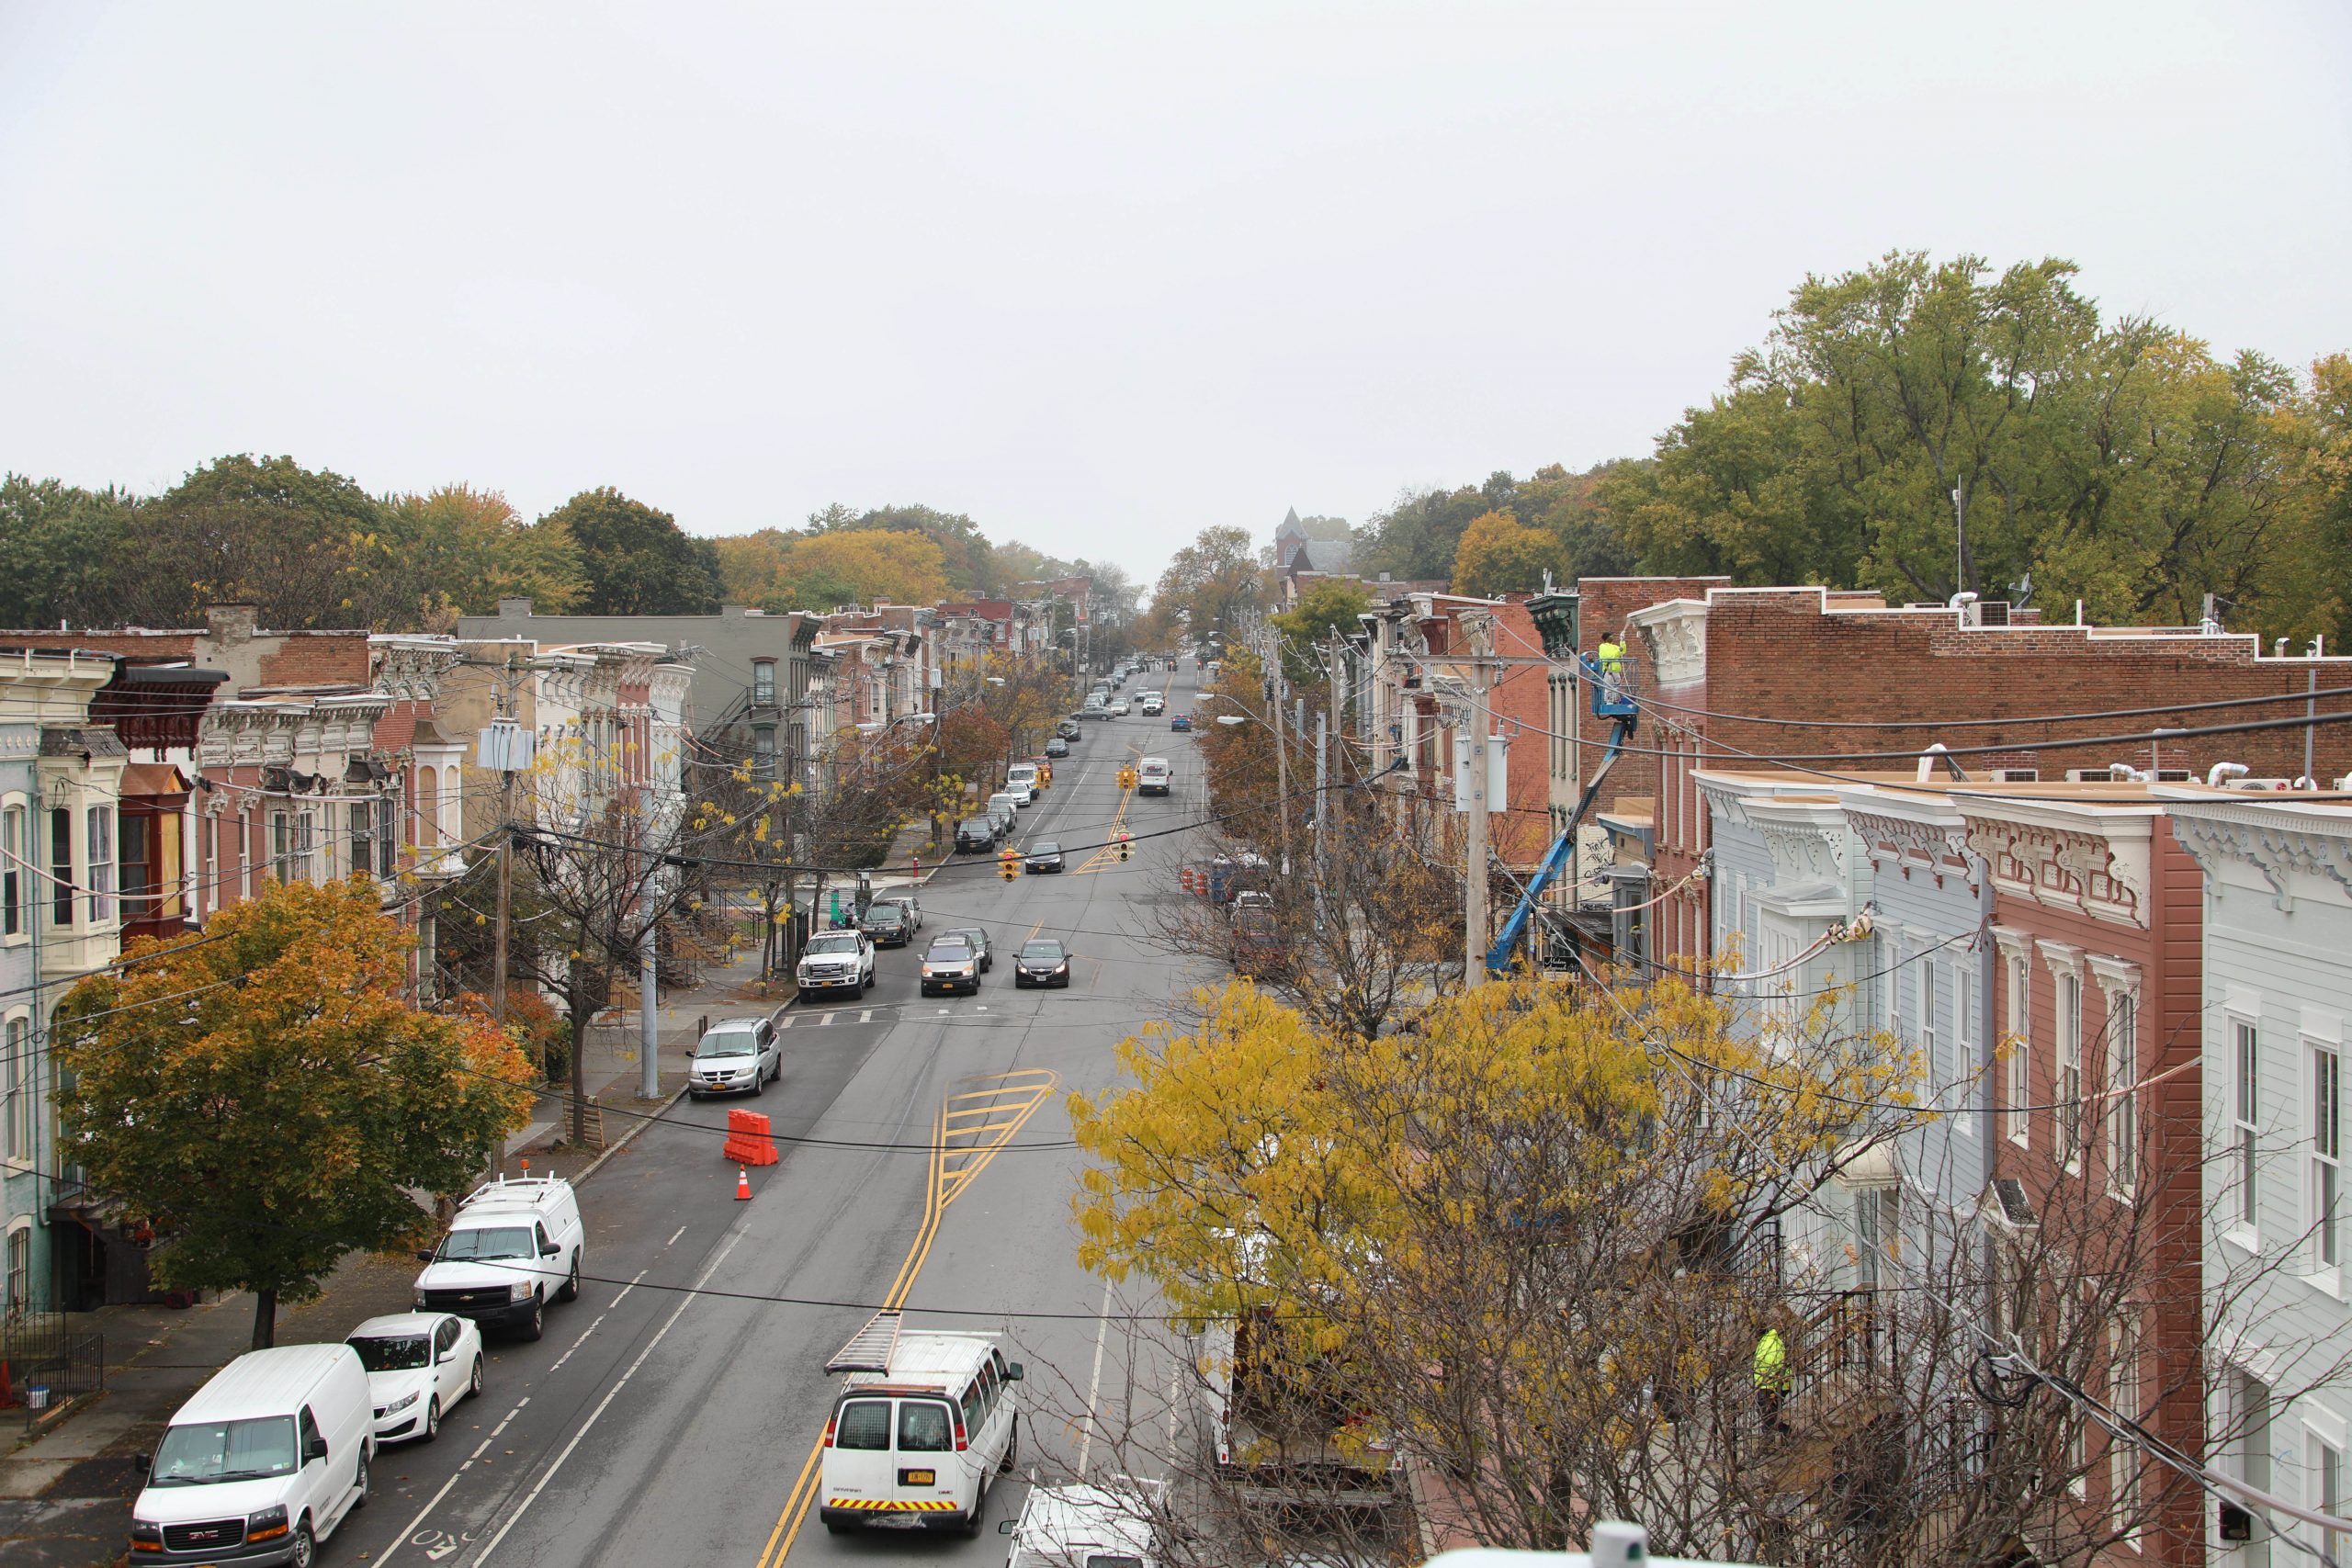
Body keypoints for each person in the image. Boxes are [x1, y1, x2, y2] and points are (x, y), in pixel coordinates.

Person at [1754, 1324, 1792, 1432]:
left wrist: (1768, 1387)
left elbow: (1770, 1365)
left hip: (1772, 1385)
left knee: (1768, 1412)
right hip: (1775, 1384)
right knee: (1769, 1412)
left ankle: (1773, 1435)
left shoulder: (1767, 1345)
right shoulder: (1772, 1341)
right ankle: (1781, 1430)